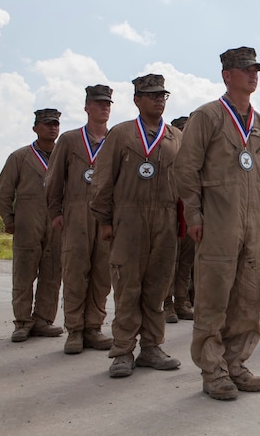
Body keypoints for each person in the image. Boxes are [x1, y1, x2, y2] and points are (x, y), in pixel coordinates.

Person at [174, 47, 260, 401]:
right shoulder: (208, 116)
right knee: (213, 298)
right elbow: (186, 169)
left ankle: (236, 363)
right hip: (218, 221)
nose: (253, 74)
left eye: (256, 69)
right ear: (227, 75)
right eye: (246, 69)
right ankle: (212, 371)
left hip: (251, 224)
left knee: (248, 297)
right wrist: (194, 215)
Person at [91, 74, 182, 378]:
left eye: (162, 95)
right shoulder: (121, 134)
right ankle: (122, 351)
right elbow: (103, 178)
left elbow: (185, 182)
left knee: (157, 287)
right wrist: (104, 220)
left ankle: (152, 348)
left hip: (165, 220)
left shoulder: (175, 137)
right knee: (128, 287)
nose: (159, 99)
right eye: (152, 95)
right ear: (137, 100)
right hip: (128, 220)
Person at [46, 85, 114, 354]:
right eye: (98, 103)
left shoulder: (116, 139)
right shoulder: (70, 140)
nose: (104, 107)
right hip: (75, 215)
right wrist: (55, 212)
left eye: (108, 103)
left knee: (102, 273)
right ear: (87, 107)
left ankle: (94, 327)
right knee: (75, 272)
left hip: (106, 217)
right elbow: (53, 179)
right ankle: (74, 329)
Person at [0, 109, 63, 342]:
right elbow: (3, 193)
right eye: (47, 124)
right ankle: (23, 322)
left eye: (55, 124)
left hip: (56, 223)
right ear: (35, 128)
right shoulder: (20, 157)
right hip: (27, 221)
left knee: (52, 273)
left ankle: (44, 320)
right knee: (24, 273)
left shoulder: (63, 156)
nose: (52, 128)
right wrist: (9, 219)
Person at [164, 116, 195, 324]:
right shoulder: (168, 154)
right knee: (169, 261)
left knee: (186, 261)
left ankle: (182, 301)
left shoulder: (195, 156)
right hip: (170, 210)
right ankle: (166, 303)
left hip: (190, 211)